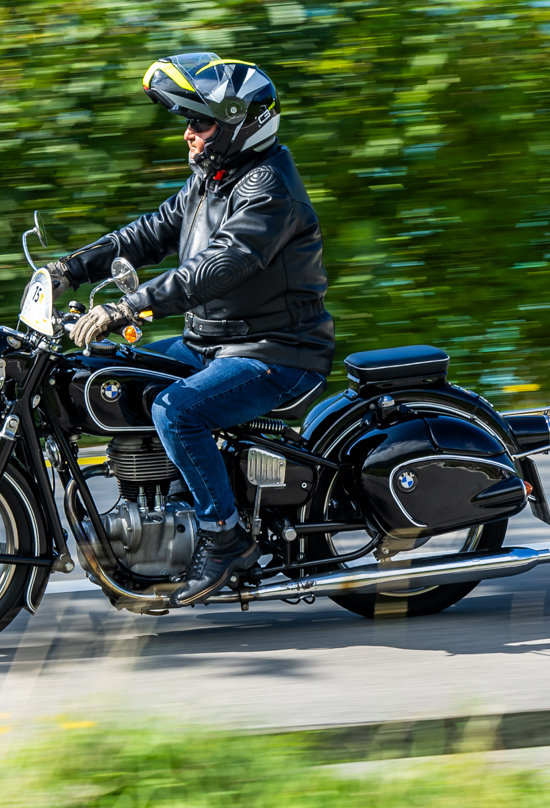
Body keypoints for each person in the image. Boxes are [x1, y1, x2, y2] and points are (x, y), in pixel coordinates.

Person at [42, 52, 334, 606]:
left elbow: (218, 266)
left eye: (199, 123)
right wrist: (69, 270)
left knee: (176, 410)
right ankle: (161, 504)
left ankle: (225, 537)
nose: (187, 134)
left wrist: (129, 307)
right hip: (213, 344)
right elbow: (147, 234)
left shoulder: (268, 189)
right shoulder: (212, 180)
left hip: (276, 353)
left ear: (238, 125)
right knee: (112, 372)